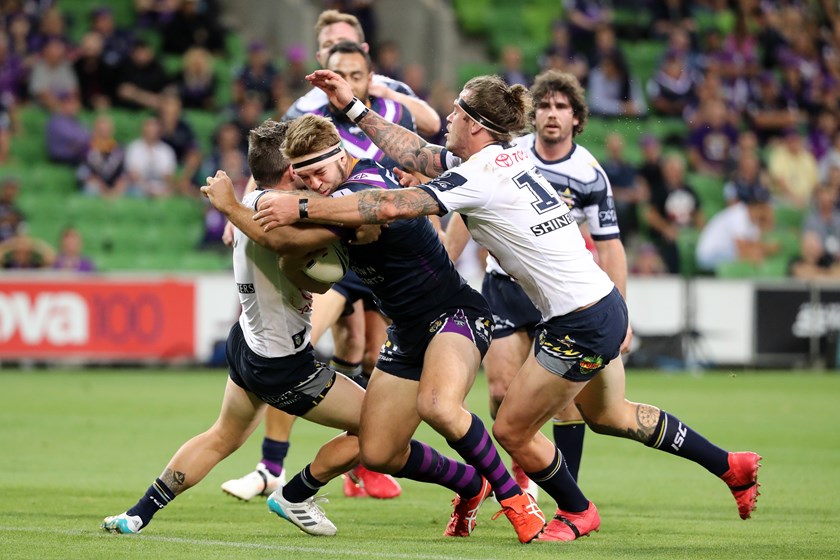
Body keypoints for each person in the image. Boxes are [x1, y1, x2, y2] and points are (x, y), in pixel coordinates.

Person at [254, 69, 762, 542]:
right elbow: (417, 154)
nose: (446, 118)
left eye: (455, 112)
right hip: (598, 302)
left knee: (512, 428)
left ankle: (578, 511)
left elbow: (390, 204)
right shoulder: (504, 155)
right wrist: (355, 110)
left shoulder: (481, 177)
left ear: (475, 125)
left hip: (579, 319)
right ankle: (729, 465)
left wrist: (300, 204)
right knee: (611, 416)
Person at [209, 114, 547, 543]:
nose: (314, 184)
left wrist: (232, 207)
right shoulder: (333, 194)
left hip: (453, 313)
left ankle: (515, 499)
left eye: (318, 172)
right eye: (304, 177)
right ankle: (469, 486)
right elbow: (305, 265)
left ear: (341, 156)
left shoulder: (358, 189)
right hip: (406, 333)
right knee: (378, 450)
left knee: (439, 406)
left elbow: (283, 240)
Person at [101, 119, 371, 537]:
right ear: (288, 173)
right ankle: (297, 495)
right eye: (302, 164)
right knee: (378, 425)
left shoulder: (256, 200)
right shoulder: (275, 218)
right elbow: (293, 241)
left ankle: (137, 514)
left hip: (247, 343)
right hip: (283, 364)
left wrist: (232, 205)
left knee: (222, 436)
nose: (311, 174)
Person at [221, 38, 418, 502]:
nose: (344, 80)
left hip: (379, 246)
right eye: (334, 64)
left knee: (367, 353)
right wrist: (246, 213)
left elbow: (427, 135)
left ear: (369, 74)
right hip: (334, 248)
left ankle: (362, 464)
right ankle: (271, 465)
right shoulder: (308, 116)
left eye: (354, 72)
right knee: (299, 346)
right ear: (321, 68)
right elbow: (271, 167)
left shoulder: (395, 108)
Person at [444, 70, 632, 494]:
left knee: (564, 403)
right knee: (499, 393)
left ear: (576, 118)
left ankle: (562, 489)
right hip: (505, 287)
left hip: (563, 294)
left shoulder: (589, 173)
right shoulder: (511, 152)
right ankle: (525, 475)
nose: (551, 114)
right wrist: (443, 264)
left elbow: (611, 246)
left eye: (561, 106)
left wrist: (625, 310)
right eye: (544, 105)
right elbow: (468, 202)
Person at [283, 9, 440, 138]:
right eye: (328, 44)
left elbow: (432, 126)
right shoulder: (303, 109)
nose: (337, 51)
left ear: (363, 50)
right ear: (319, 57)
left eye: (344, 42)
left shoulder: (391, 89)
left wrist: (388, 94)